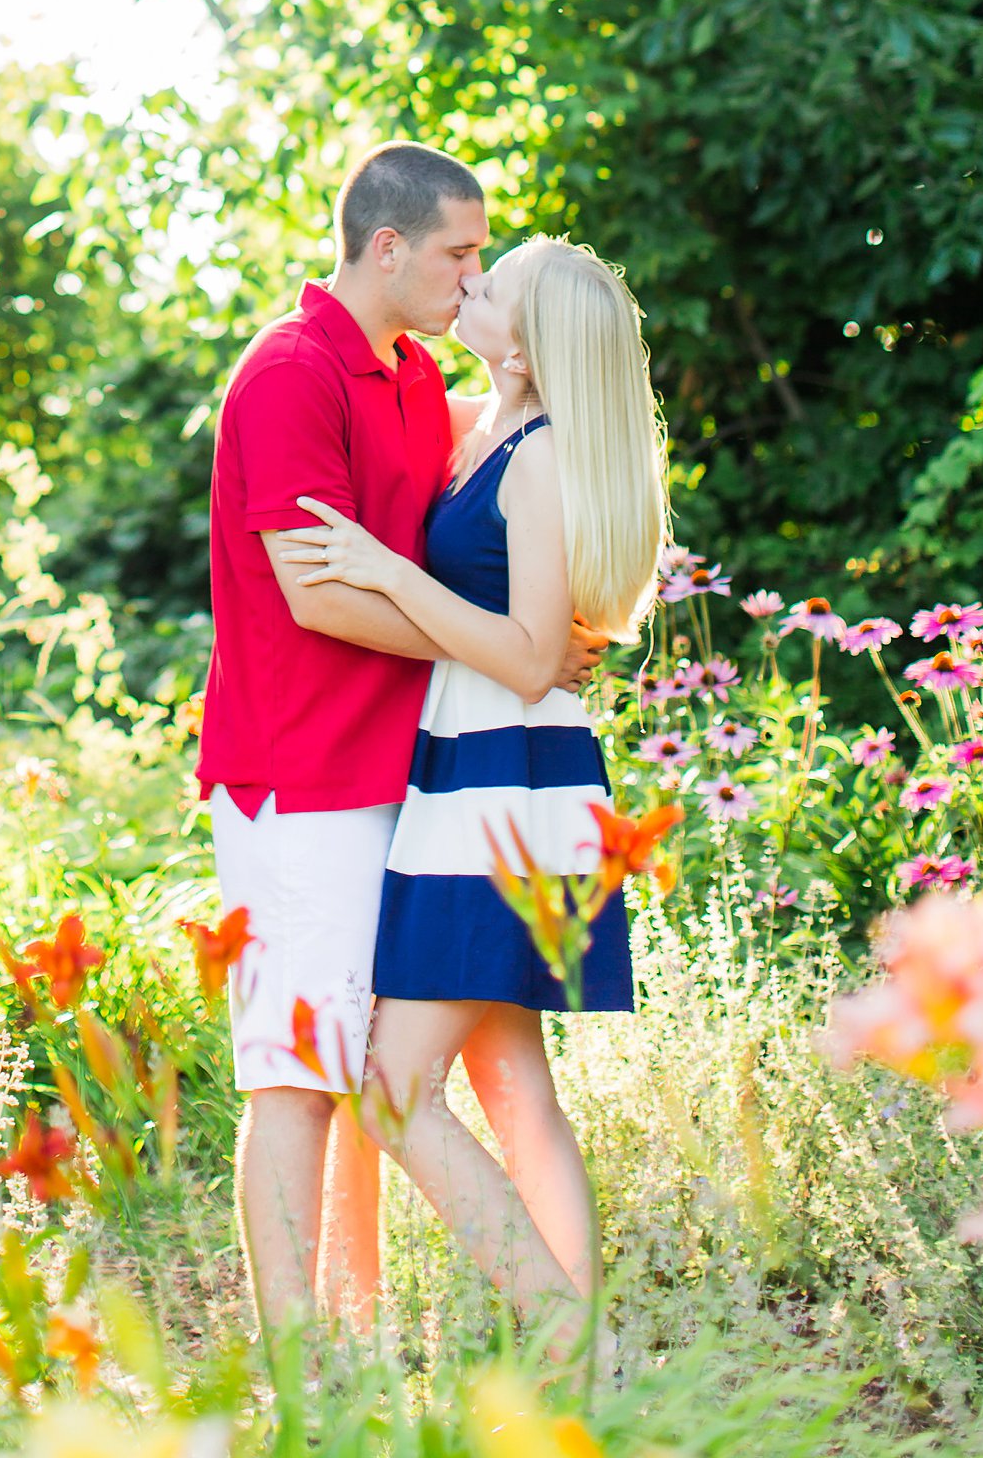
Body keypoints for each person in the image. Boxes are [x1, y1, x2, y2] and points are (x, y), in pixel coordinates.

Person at [196, 142, 603, 1334]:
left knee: (370, 1065)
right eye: (457, 253)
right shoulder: (285, 375)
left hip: (401, 779)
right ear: (387, 247)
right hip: (299, 782)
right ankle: (297, 1370)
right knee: (297, 1076)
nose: (468, 274)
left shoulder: (413, 379)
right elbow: (317, 595)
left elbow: (528, 428)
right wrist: (503, 645)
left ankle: (359, 1337)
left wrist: (539, 621)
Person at [278, 236, 666, 1341]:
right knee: (509, 1083)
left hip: (505, 785)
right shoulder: (476, 426)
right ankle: (584, 1366)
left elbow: (529, 652)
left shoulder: (538, 453)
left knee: (394, 1089)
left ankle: (560, 1331)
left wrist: (385, 571)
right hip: (480, 770)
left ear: (532, 341)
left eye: (491, 286)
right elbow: (528, 639)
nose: (469, 284)